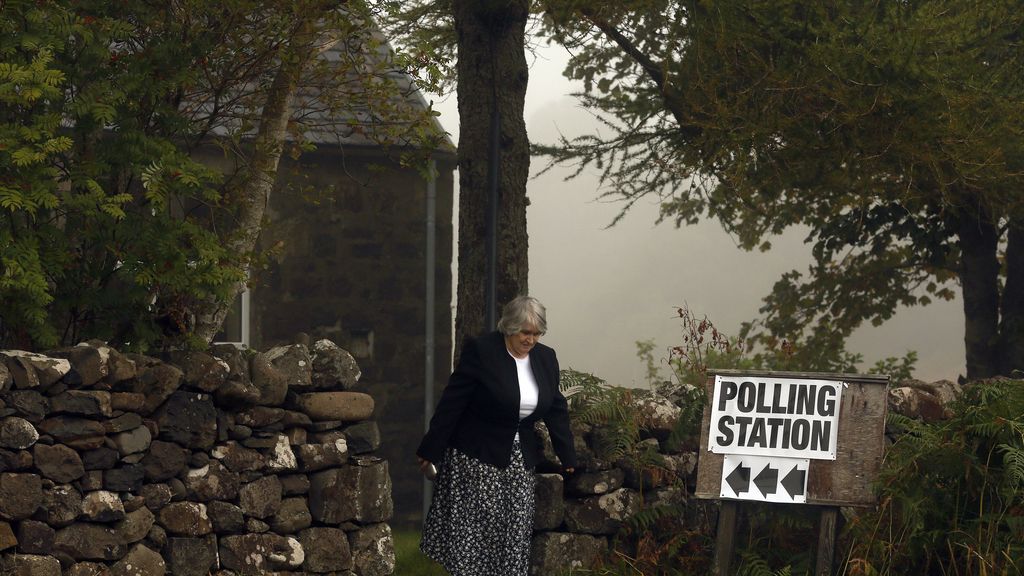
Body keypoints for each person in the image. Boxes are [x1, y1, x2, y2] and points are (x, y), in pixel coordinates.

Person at [417, 295, 577, 575]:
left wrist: (568, 455)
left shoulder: (546, 357)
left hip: (519, 459)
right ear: (509, 327)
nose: (530, 339)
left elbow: (555, 406)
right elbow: (453, 401)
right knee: (478, 534)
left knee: (515, 531)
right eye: (525, 332)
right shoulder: (482, 351)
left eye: (536, 333)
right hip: (476, 454)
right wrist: (431, 449)